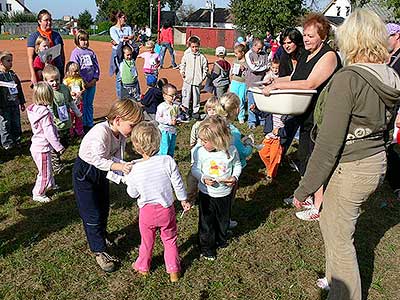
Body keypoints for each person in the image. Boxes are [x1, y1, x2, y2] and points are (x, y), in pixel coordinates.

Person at [291, 9, 400, 299]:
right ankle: (330, 278)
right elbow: (387, 128)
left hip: (351, 165)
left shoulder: (348, 79)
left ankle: (345, 293)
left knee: (340, 240)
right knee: (332, 222)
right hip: (375, 160)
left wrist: (305, 188)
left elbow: (328, 144)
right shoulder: (390, 74)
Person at [263, 13, 342, 220]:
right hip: (307, 117)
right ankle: (307, 196)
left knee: (318, 161)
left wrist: (278, 85)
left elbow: (310, 83)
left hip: (323, 118)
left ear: (323, 36)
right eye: (305, 35)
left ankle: (319, 207)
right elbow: (296, 77)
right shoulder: (306, 55)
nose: (306, 39)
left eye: (311, 35)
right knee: (305, 157)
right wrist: (273, 82)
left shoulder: (329, 56)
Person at [73, 100, 143, 273]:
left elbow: (115, 156)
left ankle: (102, 234)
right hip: (86, 173)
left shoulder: (120, 134)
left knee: (103, 207)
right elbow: (98, 160)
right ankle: (99, 250)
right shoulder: (101, 132)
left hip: (102, 172)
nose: (133, 130)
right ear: (118, 120)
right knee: (92, 213)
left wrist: (125, 169)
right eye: (132, 125)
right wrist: (120, 167)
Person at [125, 121, 191, 282]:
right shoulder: (167, 160)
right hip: (166, 211)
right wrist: (183, 199)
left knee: (147, 241)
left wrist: (128, 180)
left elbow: (132, 194)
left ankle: (143, 267)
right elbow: (178, 183)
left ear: (136, 145)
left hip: (146, 213)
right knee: (169, 240)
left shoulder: (134, 168)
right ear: (158, 141)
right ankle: (174, 271)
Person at [191, 116, 242, 260]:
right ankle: (206, 247)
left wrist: (234, 177)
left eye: (205, 141)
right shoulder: (200, 152)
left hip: (225, 193)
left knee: (223, 218)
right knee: (206, 221)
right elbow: (195, 169)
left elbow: (237, 166)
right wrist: (202, 178)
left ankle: (221, 238)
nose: (201, 143)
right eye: (201, 139)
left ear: (218, 139)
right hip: (206, 193)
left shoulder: (230, 151)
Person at [216, 93, 253, 228]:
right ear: (236, 110)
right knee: (228, 198)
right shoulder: (233, 133)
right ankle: (225, 221)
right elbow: (243, 153)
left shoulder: (214, 125)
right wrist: (249, 144)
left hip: (213, 168)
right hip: (230, 172)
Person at [27, 82, 64, 203]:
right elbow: (49, 133)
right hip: (42, 148)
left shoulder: (34, 109)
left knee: (48, 168)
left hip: (37, 146)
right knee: (44, 173)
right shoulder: (45, 114)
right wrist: (58, 146)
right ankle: (38, 193)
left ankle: (51, 184)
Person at [43, 65, 81, 174]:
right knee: (56, 145)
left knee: (66, 142)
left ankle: (54, 156)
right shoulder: (48, 92)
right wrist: (50, 121)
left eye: (57, 80)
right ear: (46, 81)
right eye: (51, 81)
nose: (55, 83)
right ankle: (56, 165)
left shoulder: (64, 88)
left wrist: (78, 113)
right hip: (56, 125)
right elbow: (49, 109)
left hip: (66, 122)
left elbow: (70, 102)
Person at [69, 29, 100, 134]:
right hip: (80, 85)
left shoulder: (91, 52)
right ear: (77, 40)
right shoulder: (75, 53)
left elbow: (96, 67)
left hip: (92, 83)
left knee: (89, 104)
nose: (85, 42)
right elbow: (74, 69)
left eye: (86, 40)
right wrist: (83, 82)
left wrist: (95, 79)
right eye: (82, 40)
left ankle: (89, 123)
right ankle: (80, 125)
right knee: (81, 104)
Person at [27, 9, 65, 85]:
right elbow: (30, 58)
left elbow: (62, 55)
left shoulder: (56, 35)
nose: (49, 22)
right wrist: (33, 75)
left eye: (50, 20)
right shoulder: (34, 37)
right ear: (39, 21)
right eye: (46, 20)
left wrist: (62, 70)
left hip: (56, 72)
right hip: (41, 73)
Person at [386, 23, 400, 201]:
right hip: (388, 108)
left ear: (396, 35)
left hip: (397, 110)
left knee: (390, 147)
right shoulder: (392, 56)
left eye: (387, 37)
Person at [0, 51, 26, 150]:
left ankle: (17, 139)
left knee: (16, 123)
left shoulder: (13, 75)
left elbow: (18, 88)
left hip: (14, 104)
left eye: (12, 61)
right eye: (8, 61)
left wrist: (22, 102)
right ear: (1, 62)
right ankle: (7, 143)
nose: (11, 63)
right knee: (5, 124)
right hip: (3, 106)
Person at [180, 36, 208, 119]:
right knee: (186, 95)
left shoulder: (202, 57)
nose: (194, 48)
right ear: (190, 46)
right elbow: (182, 65)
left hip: (197, 81)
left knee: (196, 96)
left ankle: (195, 111)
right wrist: (182, 72)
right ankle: (185, 111)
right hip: (187, 80)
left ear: (199, 46)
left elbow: (205, 68)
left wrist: (202, 77)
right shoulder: (186, 56)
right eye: (192, 47)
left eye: (196, 46)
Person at [109, 10, 135, 97]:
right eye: (123, 17)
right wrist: (127, 38)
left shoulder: (128, 27)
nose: (125, 19)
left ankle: (130, 95)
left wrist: (126, 39)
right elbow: (118, 40)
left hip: (127, 52)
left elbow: (130, 40)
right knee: (120, 75)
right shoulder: (113, 29)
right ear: (118, 18)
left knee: (130, 72)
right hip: (118, 53)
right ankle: (121, 98)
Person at [245, 38, 269, 129]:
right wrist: (264, 68)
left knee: (261, 103)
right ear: (254, 46)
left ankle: (262, 119)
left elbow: (268, 65)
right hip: (252, 84)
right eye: (258, 48)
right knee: (251, 103)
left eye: (261, 48)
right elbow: (253, 68)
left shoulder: (264, 54)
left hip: (262, 83)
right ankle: (252, 121)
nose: (260, 50)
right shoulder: (249, 54)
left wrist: (265, 68)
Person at [156, 83, 179, 157]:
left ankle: (169, 161)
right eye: (171, 95)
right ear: (164, 95)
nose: (174, 97)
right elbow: (158, 118)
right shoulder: (161, 106)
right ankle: (162, 162)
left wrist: (178, 120)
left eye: (175, 95)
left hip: (173, 130)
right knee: (164, 148)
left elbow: (176, 115)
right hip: (164, 131)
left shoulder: (175, 106)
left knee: (171, 148)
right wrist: (169, 122)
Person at [63, 61, 85, 138]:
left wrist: (81, 92)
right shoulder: (66, 81)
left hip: (79, 101)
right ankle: (70, 131)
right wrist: (70, 93)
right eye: (74, 71)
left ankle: (79, 130)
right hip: (71, 103)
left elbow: (83, 88)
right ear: (69, 72)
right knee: (71, 117)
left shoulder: (80, 79)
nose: (76, 73)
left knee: (79, 116)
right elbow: (64, 90)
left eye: (78, 71)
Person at [229, 44, 248, 124]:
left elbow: (249, 74)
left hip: (243, 83)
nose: (235, 55)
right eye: (235, 53)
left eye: (237, 53)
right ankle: (232, 115)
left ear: (242, 53)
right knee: (232, 99)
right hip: (235, 82)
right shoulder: (235, 61)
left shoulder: (247, 62)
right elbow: (232, 71)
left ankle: (241, 116)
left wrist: (244, 69)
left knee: (241, 100)